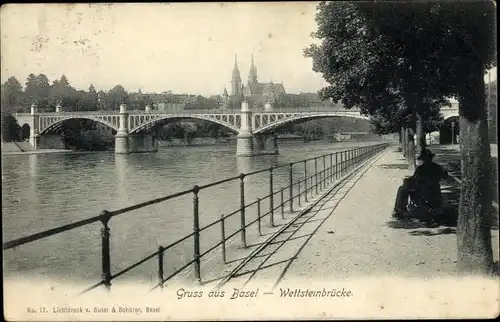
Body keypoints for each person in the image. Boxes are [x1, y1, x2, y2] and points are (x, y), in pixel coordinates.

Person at [392, 148, 449, 220]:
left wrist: (406, 180)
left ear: (423, 159)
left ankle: (399, 210)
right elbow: (446, 177)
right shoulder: (438, 167)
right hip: (436, 195)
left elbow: (413, 181)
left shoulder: (420, 169)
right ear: (431, 158)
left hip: (423, 195)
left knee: (402, 189)